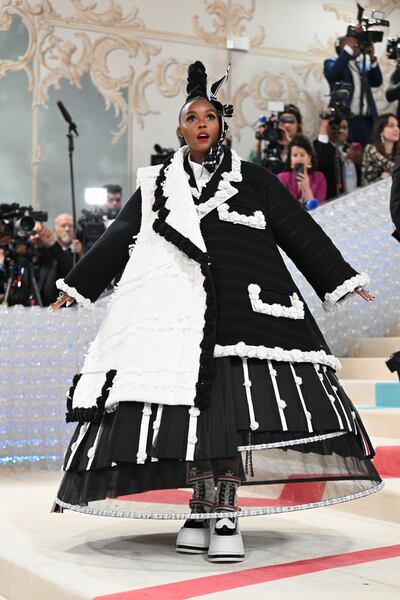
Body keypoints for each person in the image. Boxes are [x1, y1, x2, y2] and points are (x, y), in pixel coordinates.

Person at [50, 61, 381, 564]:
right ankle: (201, 506)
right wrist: (77, 287)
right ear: (180, 128)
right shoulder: (160, 183)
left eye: (209, 115)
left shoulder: (253, 178)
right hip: (179, 317)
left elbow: (298, 230)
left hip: (246, 316)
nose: (201, 123)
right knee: (190, 415)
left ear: (221, 124)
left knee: (228, 412)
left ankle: (225, 510)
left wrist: (341, 278)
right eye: (191, 117)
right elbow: (121, 235)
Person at [324, 30, 383, 146]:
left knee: (367, 155)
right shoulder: (331, 62)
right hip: (346, 120)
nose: (355, 46)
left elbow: (377, 81)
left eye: (357, 44)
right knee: (346, 153)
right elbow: (333, 74)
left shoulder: (362, 65)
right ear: (340, 45)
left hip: (366, 121)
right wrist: (348, 49)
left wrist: (372, 58)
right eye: (352, 43)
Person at [314, 115, 362, 199]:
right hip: (331, 199)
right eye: (337, 127)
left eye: (344, 127)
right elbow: (321, 162)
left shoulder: (352, 148)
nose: (341, 130)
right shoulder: (320, 147)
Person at [278, 134, 327, 209]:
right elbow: (281, 207)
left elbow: (319, 210)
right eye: (295, 155)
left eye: (302, 155)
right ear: (290, 159)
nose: (298, 158)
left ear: (309, 158)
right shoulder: (282, 178)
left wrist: (307, 188)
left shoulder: (319, 177)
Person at [249, 104, 302, 169]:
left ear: (298, 125)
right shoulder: (271, 144)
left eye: (291, 121)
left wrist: (288, 144)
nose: (287, 125)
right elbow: (253, 164)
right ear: (278, 123)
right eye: (283, 121)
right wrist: (259, 138)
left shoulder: (303, 145)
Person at [362, 113, 400, 185]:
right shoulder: (370, 149)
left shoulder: (397, 150)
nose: (396, 129)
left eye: (397, 126)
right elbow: (393, 168)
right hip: (370, 191)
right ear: (381, 131)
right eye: (391, 126)